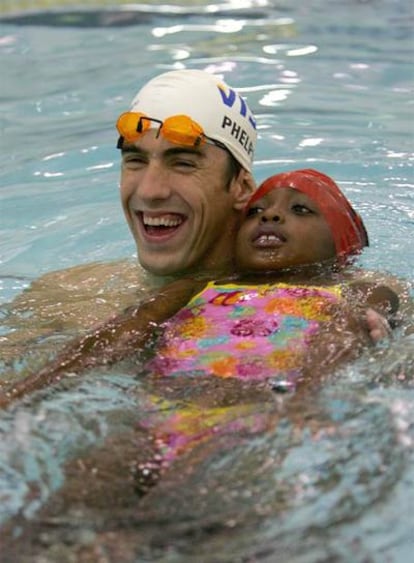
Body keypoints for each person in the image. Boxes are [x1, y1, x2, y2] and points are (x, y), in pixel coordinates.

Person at [0, 71, 396, 383]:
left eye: (183, 162)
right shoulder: (65, 296)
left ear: (241, 188)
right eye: (135, 161)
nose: (150, 191)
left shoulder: (350, 301)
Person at [0, 168, 400, 409]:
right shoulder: (202, 286)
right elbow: (128, 331)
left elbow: (344, 335)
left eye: (300, 210)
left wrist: (302, 401)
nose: (271, 215)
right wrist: (31, 387)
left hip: (262, 405)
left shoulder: (363, 289)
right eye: (256, 212)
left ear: (342, 242)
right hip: (160, 404)